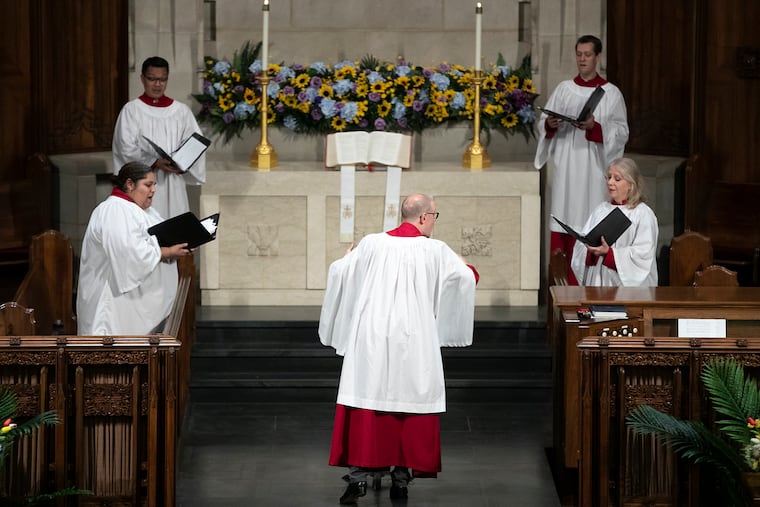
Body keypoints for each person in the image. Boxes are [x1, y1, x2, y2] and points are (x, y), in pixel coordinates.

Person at [318, 193, 479, 504]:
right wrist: (467, 266)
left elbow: (340, 271)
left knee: (368, 402)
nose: (434, 220)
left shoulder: (371, 243)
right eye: (435, 215)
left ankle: (358, 478)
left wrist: (346, 257)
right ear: (422, 217)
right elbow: (466, 278)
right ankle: (401, 481)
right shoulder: (435, 250)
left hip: (372, 335)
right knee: (407, 403)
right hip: (413, 337)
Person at [534, 35, 629, 284]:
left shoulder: (611, 94)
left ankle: (590, 288)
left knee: (590, 224)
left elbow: (621, 132)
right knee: (564, 221)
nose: (582, 59)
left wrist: (595, 127)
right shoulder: (564, 89)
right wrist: (550, 124)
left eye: (587, 55)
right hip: (566, 169)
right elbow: (541, 127)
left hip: (594, 170)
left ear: (599, 57)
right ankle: (561, 289)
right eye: (579, 54)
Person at [77, 162, 193, 336]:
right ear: (130, 184)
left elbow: (159, 238)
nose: (153, 190)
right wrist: (168, 252)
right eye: (148, 185)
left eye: (154, 184)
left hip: (135, 304)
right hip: (112, 305)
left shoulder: (143, 210)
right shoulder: (114, 210)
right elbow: (128, 253)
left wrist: (184, 243)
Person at [112, 56, 206, 219]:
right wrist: (154, 162)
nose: (157, 84)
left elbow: (195, 142)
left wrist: (182, 163)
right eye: (152, 79)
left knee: (176, 227)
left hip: (174, 182)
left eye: (162, 79)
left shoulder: (181, 111)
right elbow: (125, 147)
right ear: (142, 79)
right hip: (143, 183)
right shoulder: (132, 110)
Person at [570, 158, 658, 287]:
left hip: (627, 289)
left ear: (630, 184)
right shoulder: (601, 210)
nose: (610, 182)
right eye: (609, 177)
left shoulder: (643, 214)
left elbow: (643, 255)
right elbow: (581, 246)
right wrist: (590, 250)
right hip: (598, 281)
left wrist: (609, 254)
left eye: (617, 179)